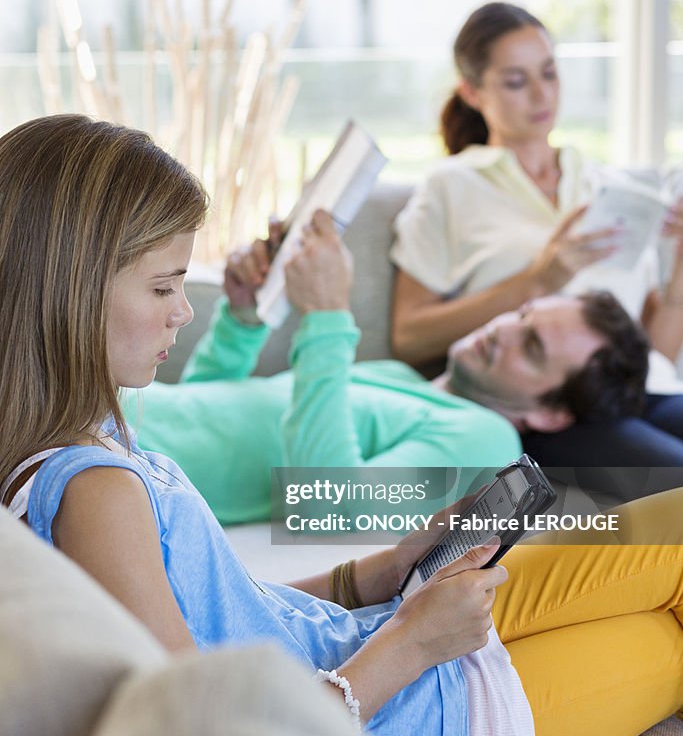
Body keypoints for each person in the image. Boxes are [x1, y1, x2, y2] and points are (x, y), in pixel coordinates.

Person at [1, 114, 681, 736]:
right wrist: (406, 637)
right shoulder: (96, 476)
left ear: (547, 415)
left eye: (531, 347)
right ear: (72, 291)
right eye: (163, 288)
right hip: (394, 714)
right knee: (666, 634)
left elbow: (244, 578)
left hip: (365, 654)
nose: (180, 313)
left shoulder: (472, 429)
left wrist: (377, 575)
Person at [121, 215, 648, 525]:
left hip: (107, 449)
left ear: (553, 413)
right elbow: (207, 409)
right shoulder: (400, 378)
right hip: (119, 414)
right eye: (522, 316)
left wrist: (327, 315)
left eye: (531, 346)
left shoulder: (485, 442)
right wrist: (242, 315)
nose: (503, 330)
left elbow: (326, 506)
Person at [390, 1, 683, 471]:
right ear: (471, 91)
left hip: (646, 393)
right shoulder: (451, 186)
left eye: (549, 73)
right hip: (550, 407)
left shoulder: (600, 184)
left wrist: (678, 288)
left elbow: (657, 361)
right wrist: (539, 280)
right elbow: (408, 336)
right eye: (515, 80)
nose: (541, 94)